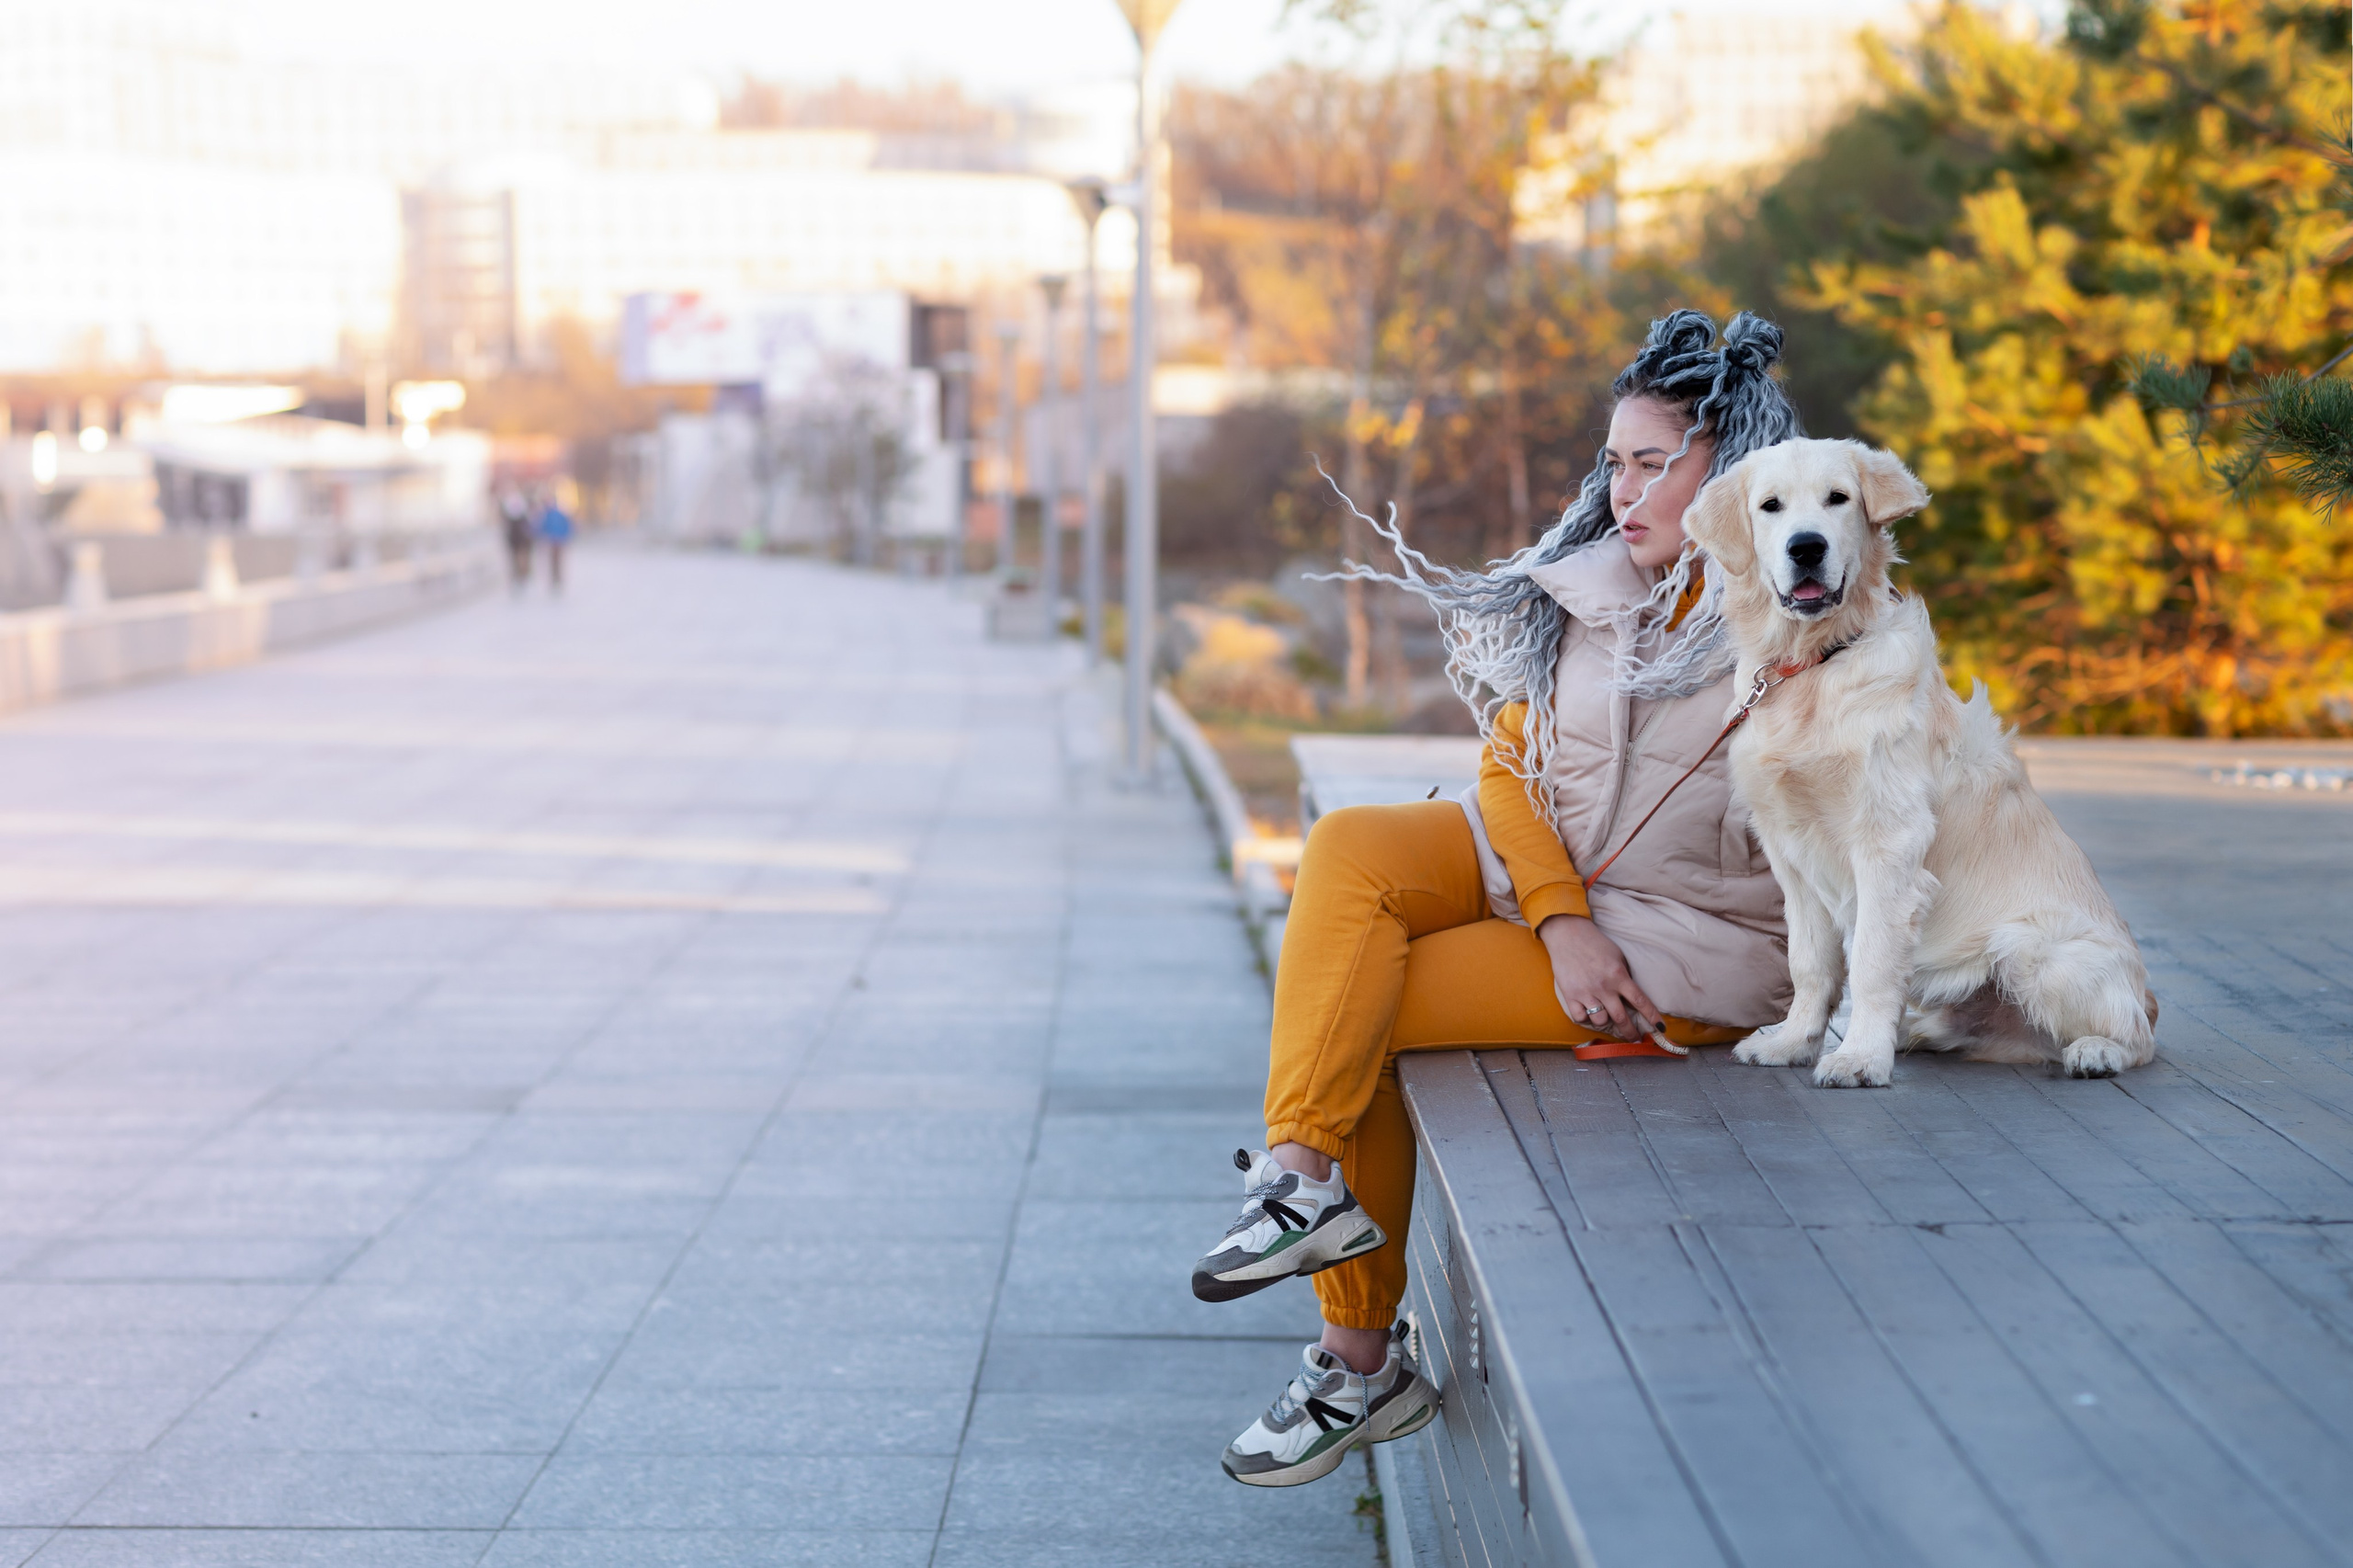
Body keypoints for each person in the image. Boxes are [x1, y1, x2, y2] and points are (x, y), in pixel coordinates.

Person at [1197, 311, 1804, 1489]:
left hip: (1685, 945)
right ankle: (1301, 1175)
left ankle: (1355, 1361)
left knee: (1356, 1013)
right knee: (1351, 846)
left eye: (1652, 463)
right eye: (1613, 462)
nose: (1621, 490)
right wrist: (1557, 910)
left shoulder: (1790, 626)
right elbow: (1508, 767)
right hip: (1566, 893)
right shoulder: (1589, 588)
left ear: (1727, 468)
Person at [535, 488, 575, 594]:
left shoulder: (551, 514)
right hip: (555, 540)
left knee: (555, 561)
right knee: (555, 561)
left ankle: (556, 579)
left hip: (555, 540)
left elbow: (543, 527)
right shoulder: (553, 513)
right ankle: (556, 579)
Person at [499, 488, 534, 591]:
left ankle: (519, 576)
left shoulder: (512, 520)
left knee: (517, 559)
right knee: (518, 559)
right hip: (518, 542)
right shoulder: (522, 519)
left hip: (517, 542)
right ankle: (519, 576)